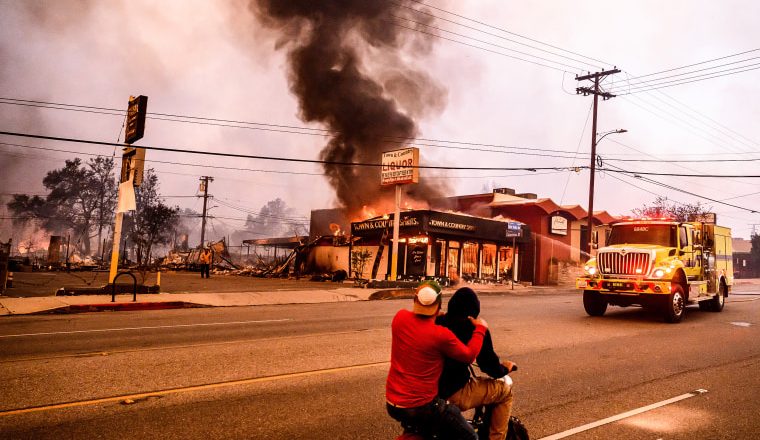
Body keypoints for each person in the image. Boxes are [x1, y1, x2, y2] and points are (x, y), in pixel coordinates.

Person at [386, 281, 488, 440]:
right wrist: (481, 329)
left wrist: (433, 315)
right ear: (439, 305)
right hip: (422, 406)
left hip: (393, 404)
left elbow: (418, 324)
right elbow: (469, 355)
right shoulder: (441, 335)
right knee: (470, 437)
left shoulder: (399, 318)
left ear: (415, 300)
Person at [436, 287, 516, 440]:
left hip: (431, 390)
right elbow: (490, 367)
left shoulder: (437, 321)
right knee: (505, 392)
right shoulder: (476, 328)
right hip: (454, 391)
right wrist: (505, 368)